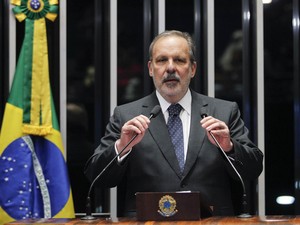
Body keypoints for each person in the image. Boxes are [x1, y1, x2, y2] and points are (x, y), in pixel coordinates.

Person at [84, 30, 263, 217]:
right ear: (150, 68)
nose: (170, 68)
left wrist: (229, 147)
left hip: (212, 221)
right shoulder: (126, 115)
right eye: (162, 60)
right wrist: (121, 147)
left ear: (192, 69)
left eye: (179, 60)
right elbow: (96, 176)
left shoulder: (224, 112)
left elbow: (253, 169)